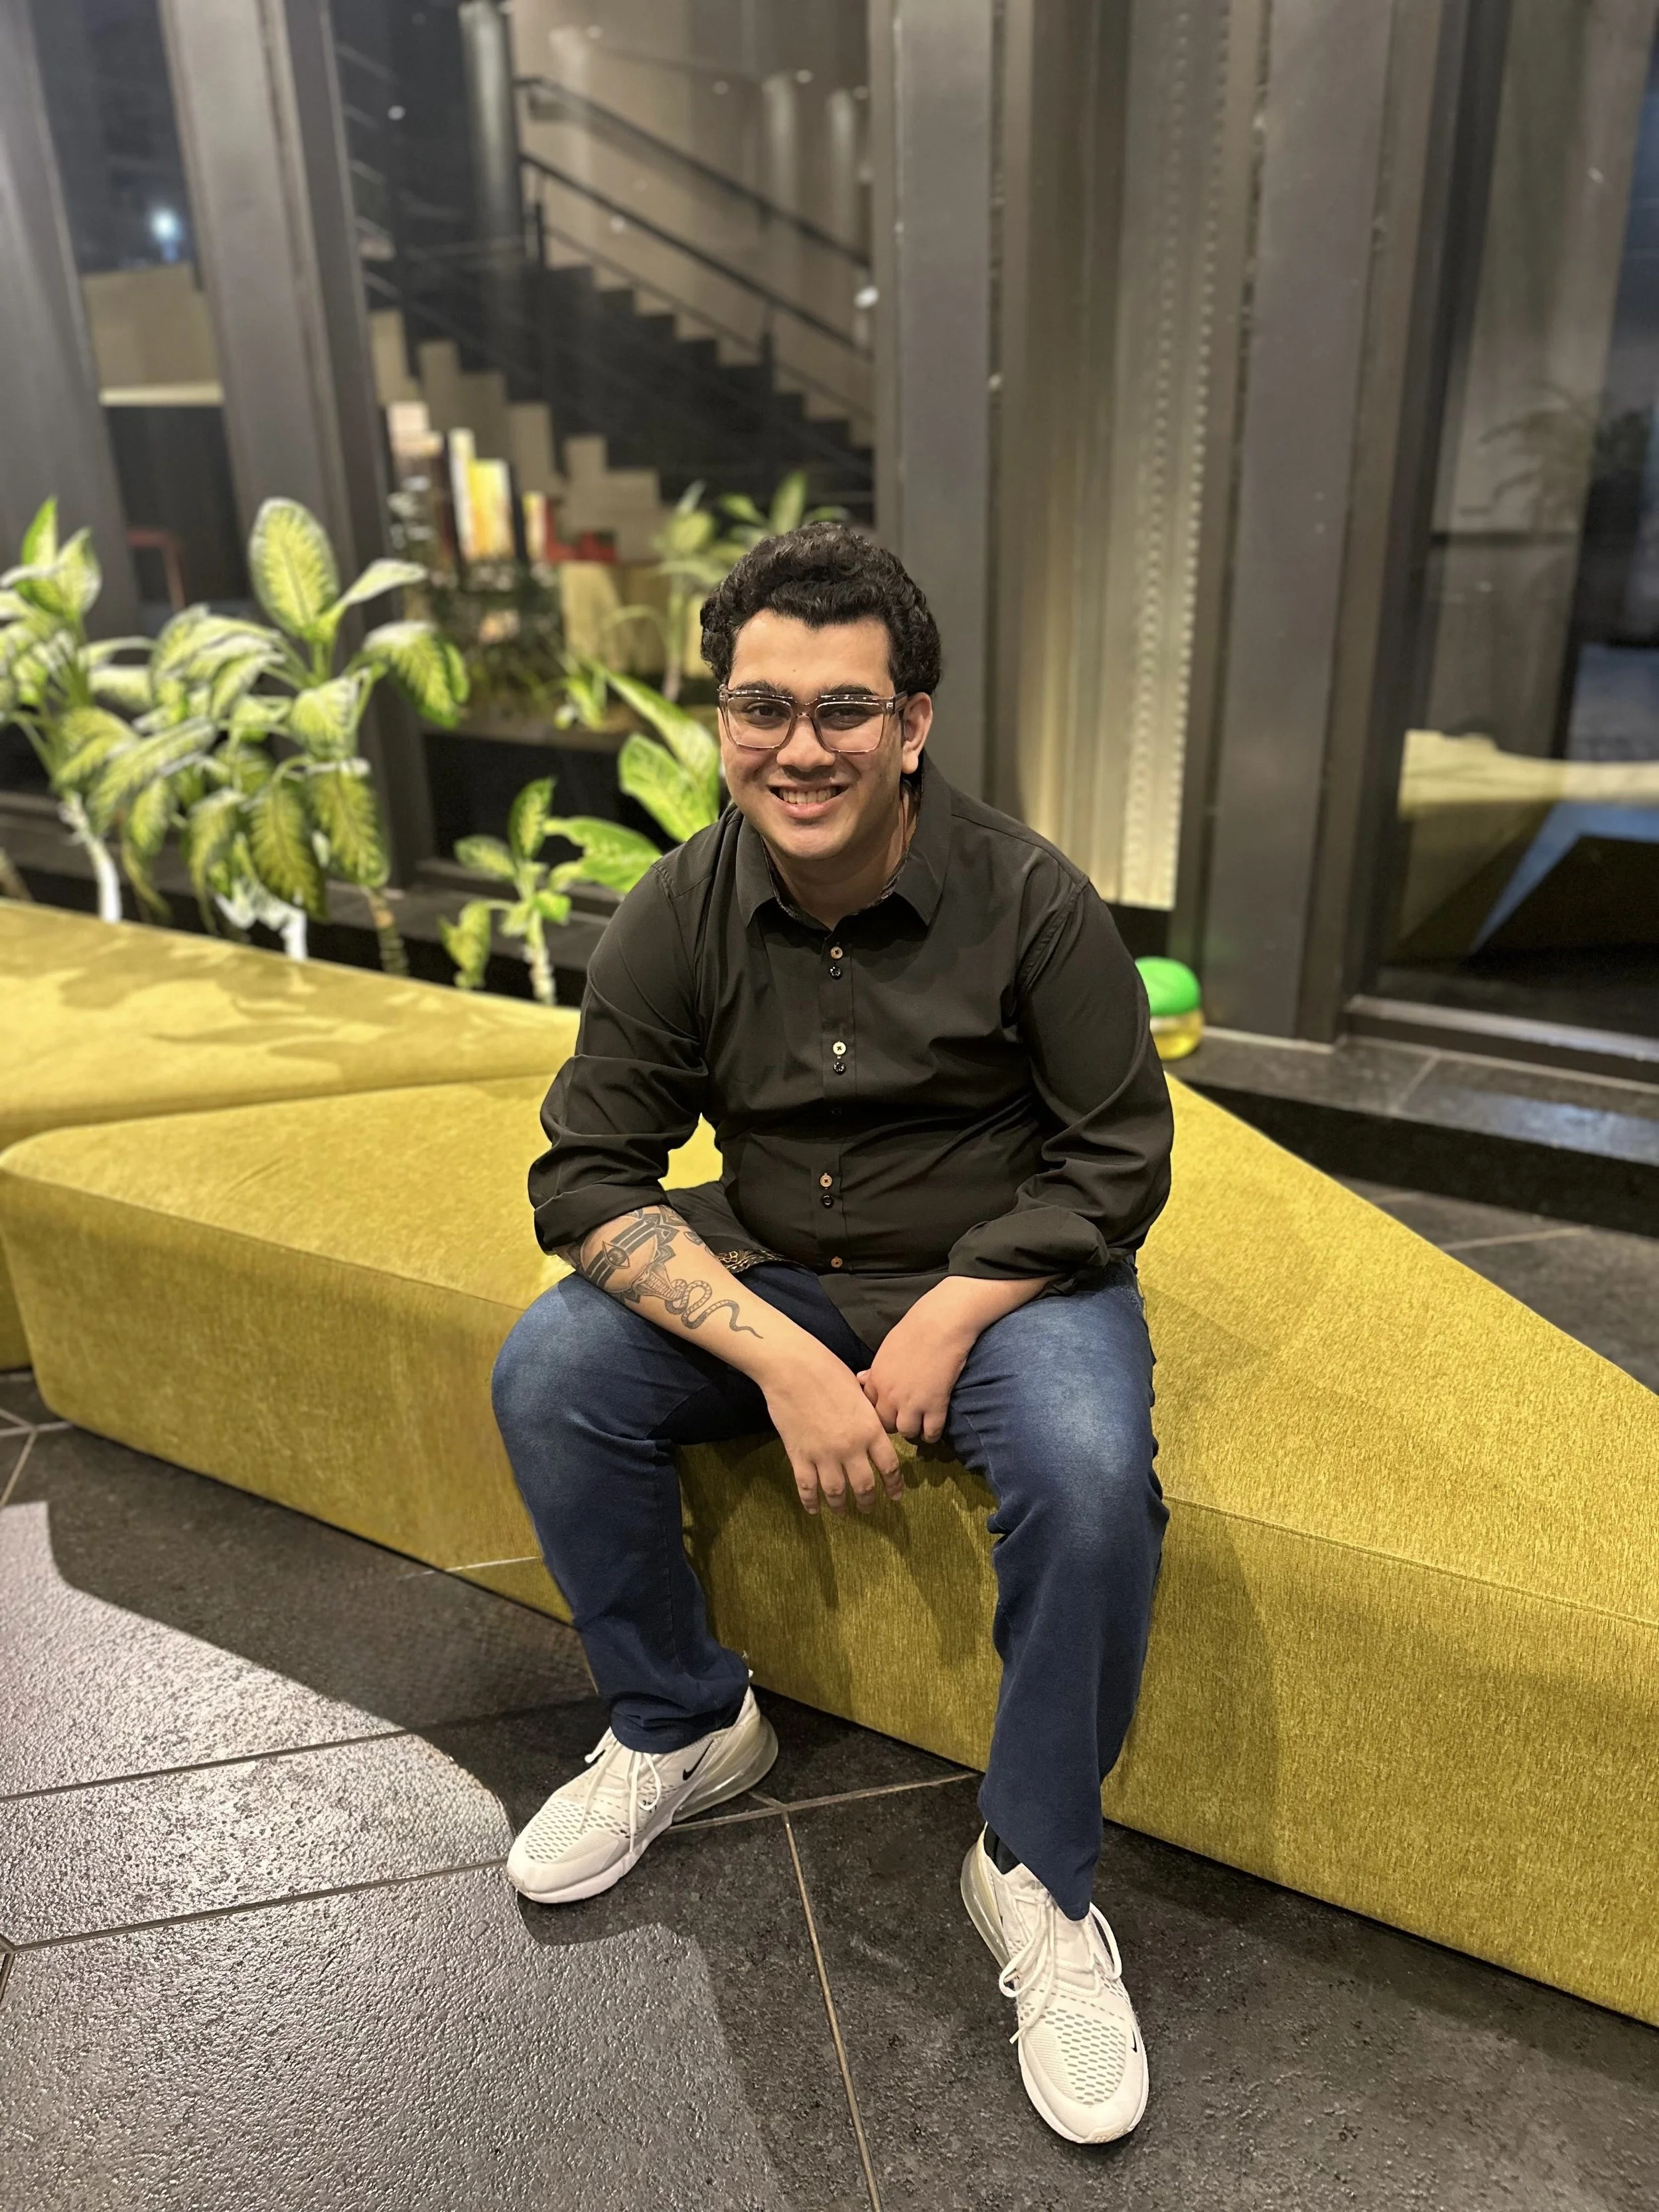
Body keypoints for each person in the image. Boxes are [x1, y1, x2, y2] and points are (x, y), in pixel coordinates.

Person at [491, 523, 1173, 2146]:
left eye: (843, 709)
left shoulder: (1031, 900)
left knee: (1088, 1474)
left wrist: (949, 1311)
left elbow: (1117, 1158)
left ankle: (1033, 1875)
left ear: (911, 723)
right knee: (551, 1370)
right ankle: (682, 1721)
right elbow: (584, 1172)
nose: (799, 748)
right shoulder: (681, 906)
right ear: (721, 718)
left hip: (1002, 1270)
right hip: (776, 1262)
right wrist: (786, 1360)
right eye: (760, 707)